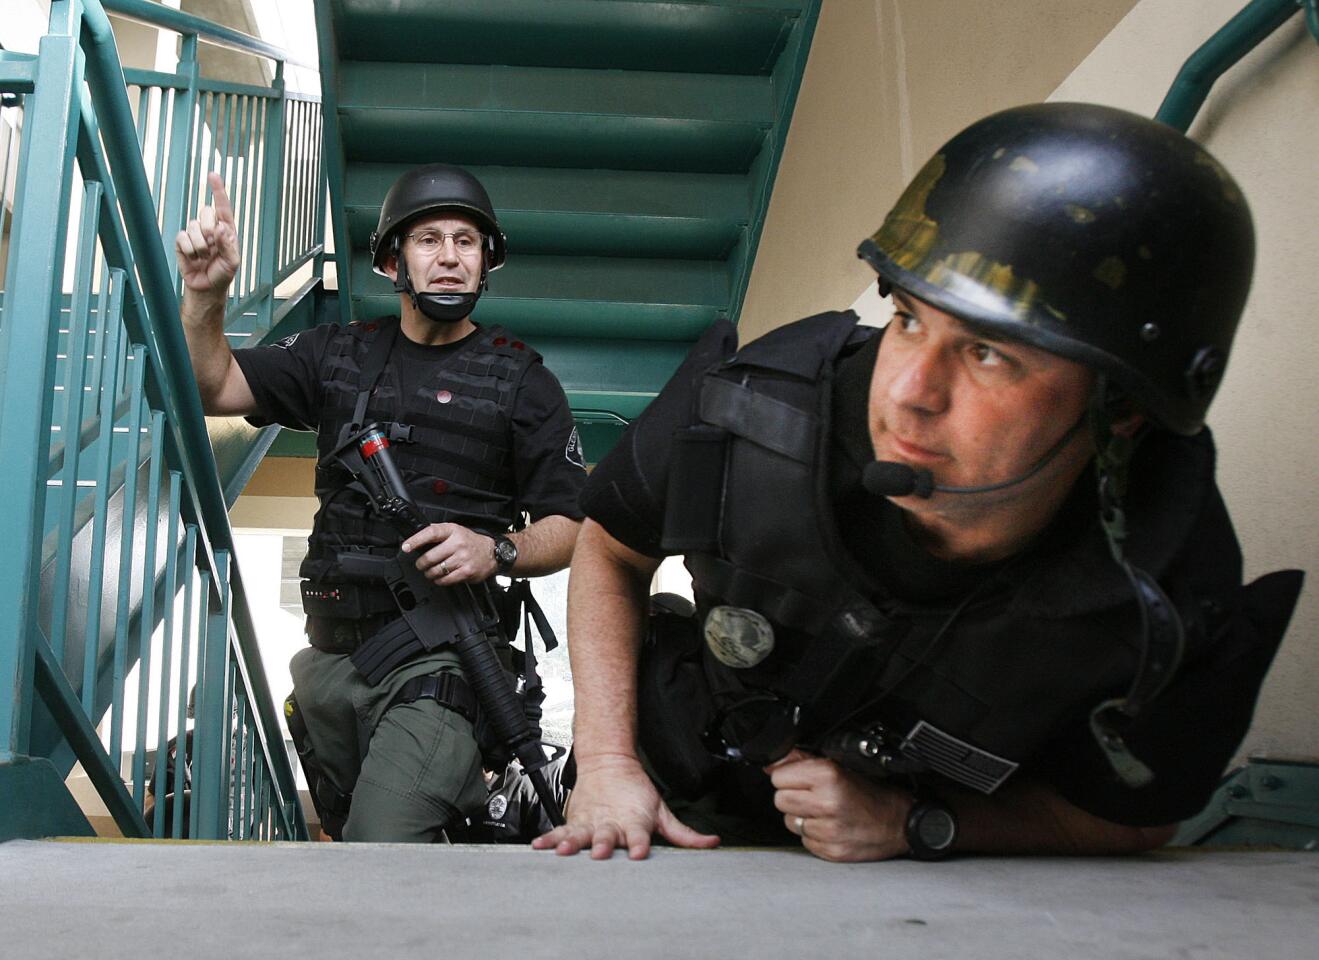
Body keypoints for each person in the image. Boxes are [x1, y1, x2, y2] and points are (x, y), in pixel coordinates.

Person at [532, 103, 1303, 863]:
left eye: (988, 355)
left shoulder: (1169, 588)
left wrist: (917, 824)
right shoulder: (763, 406)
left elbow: (1135, 819)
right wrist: (606, 766)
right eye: (906, 319)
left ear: (1122, 409)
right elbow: (611, 543)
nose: (906, 392)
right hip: (674, 799)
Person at [177, 163, 587, 842]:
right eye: (428, 240)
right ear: (394, 260)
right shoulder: (337, 353)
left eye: (467, 241)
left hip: (441, 658)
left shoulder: (522, 380)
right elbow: (213, 386)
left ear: (487, 262)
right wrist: (204, 299)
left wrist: (498, 550)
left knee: (380, 843)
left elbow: (571, 526)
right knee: (362, 847)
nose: (450, 256)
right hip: (327, 665)